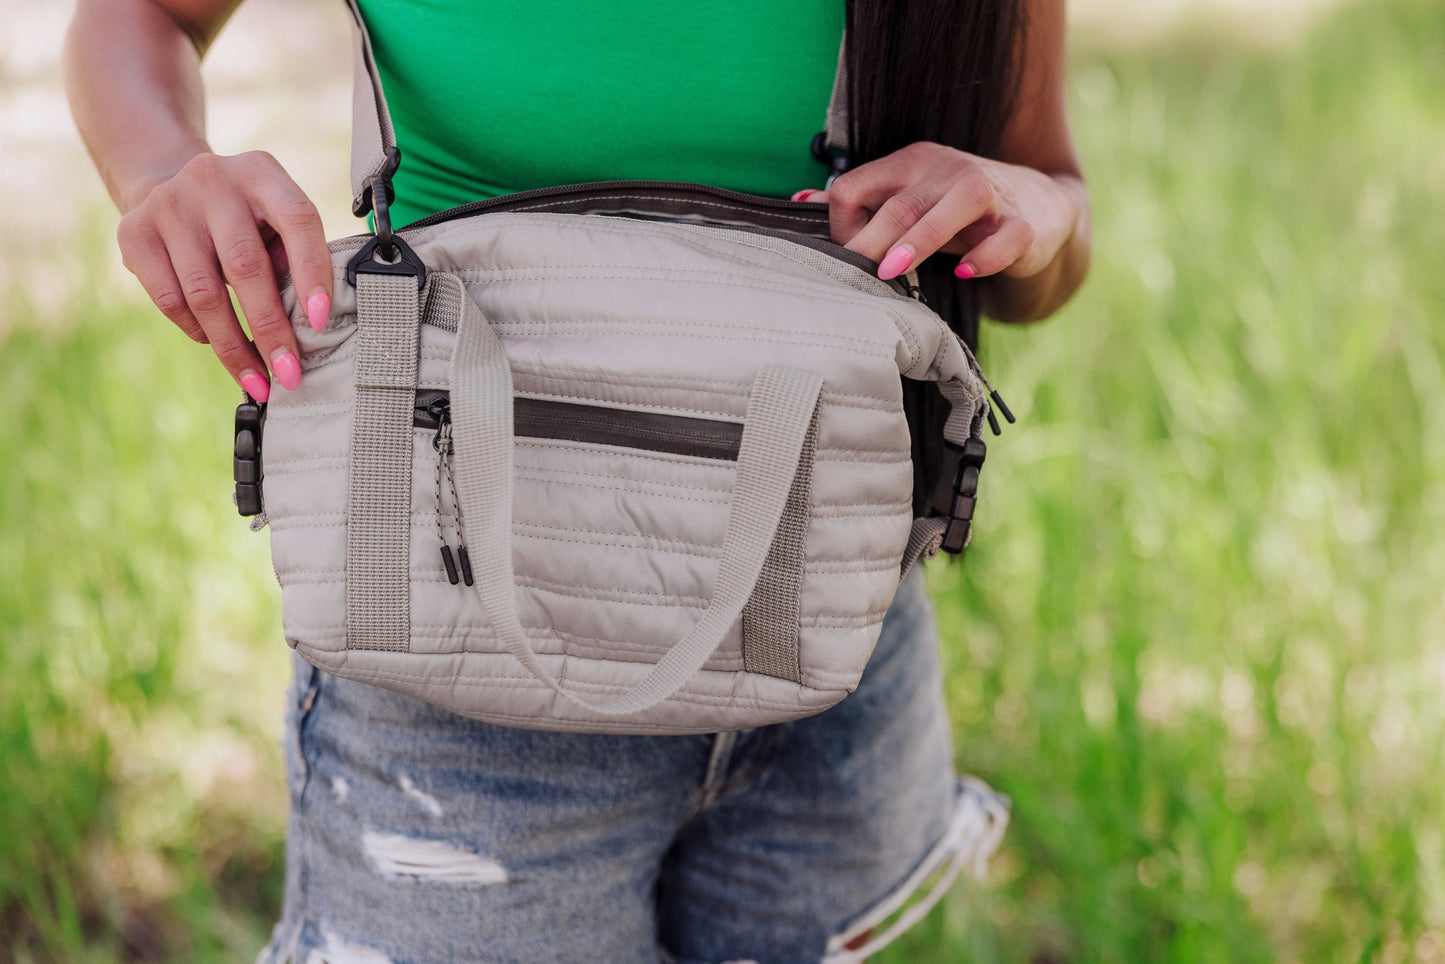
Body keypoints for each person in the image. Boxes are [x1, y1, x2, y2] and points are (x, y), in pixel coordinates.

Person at [65, 1, 1090, 960]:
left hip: (826, 648)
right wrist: (163, 170)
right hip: (445, 668)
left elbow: (1048, 201)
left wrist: (1031, 207)